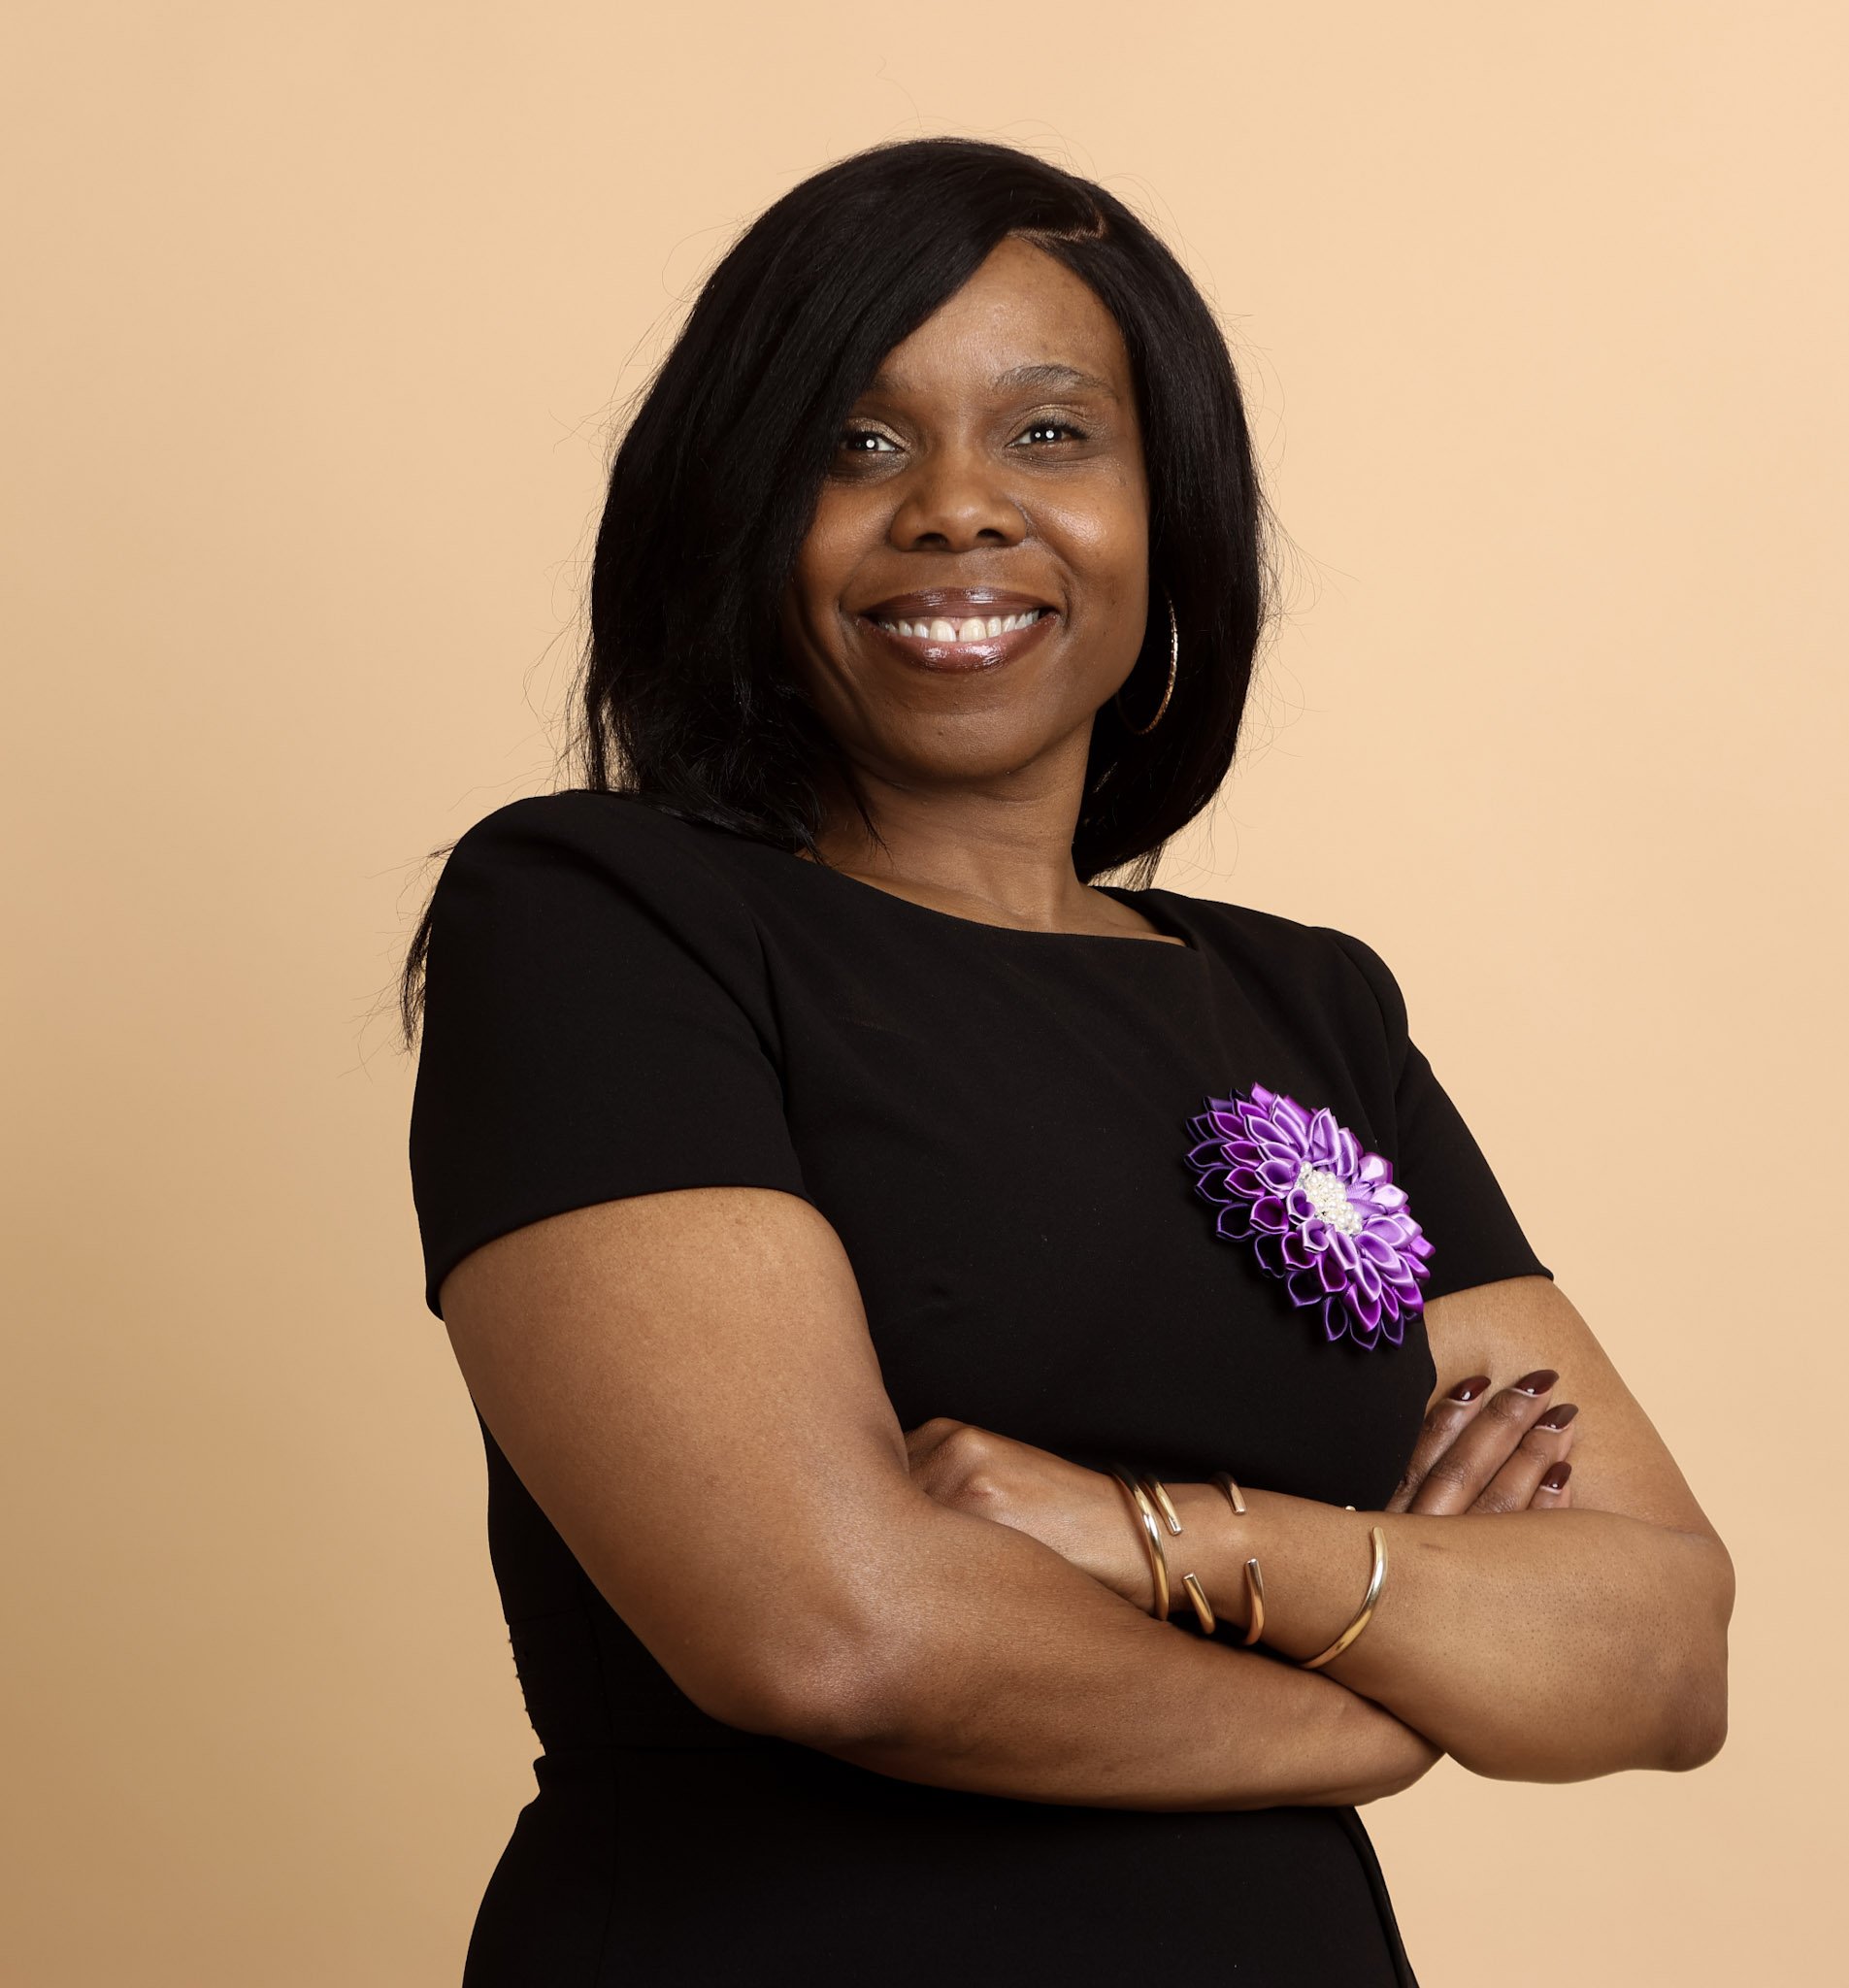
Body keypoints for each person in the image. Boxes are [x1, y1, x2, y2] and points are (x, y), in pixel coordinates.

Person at [402, 137, 1733, 1987]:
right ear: (734, 512)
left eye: (1048, 435)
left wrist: (1143, 1538)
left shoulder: (1311, 1005)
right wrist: (1384, 1692)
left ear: (1163, 511)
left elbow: (1659, 1648)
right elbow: (830, 1634)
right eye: (854, 444)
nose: (956, 509)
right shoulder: (601, 919)